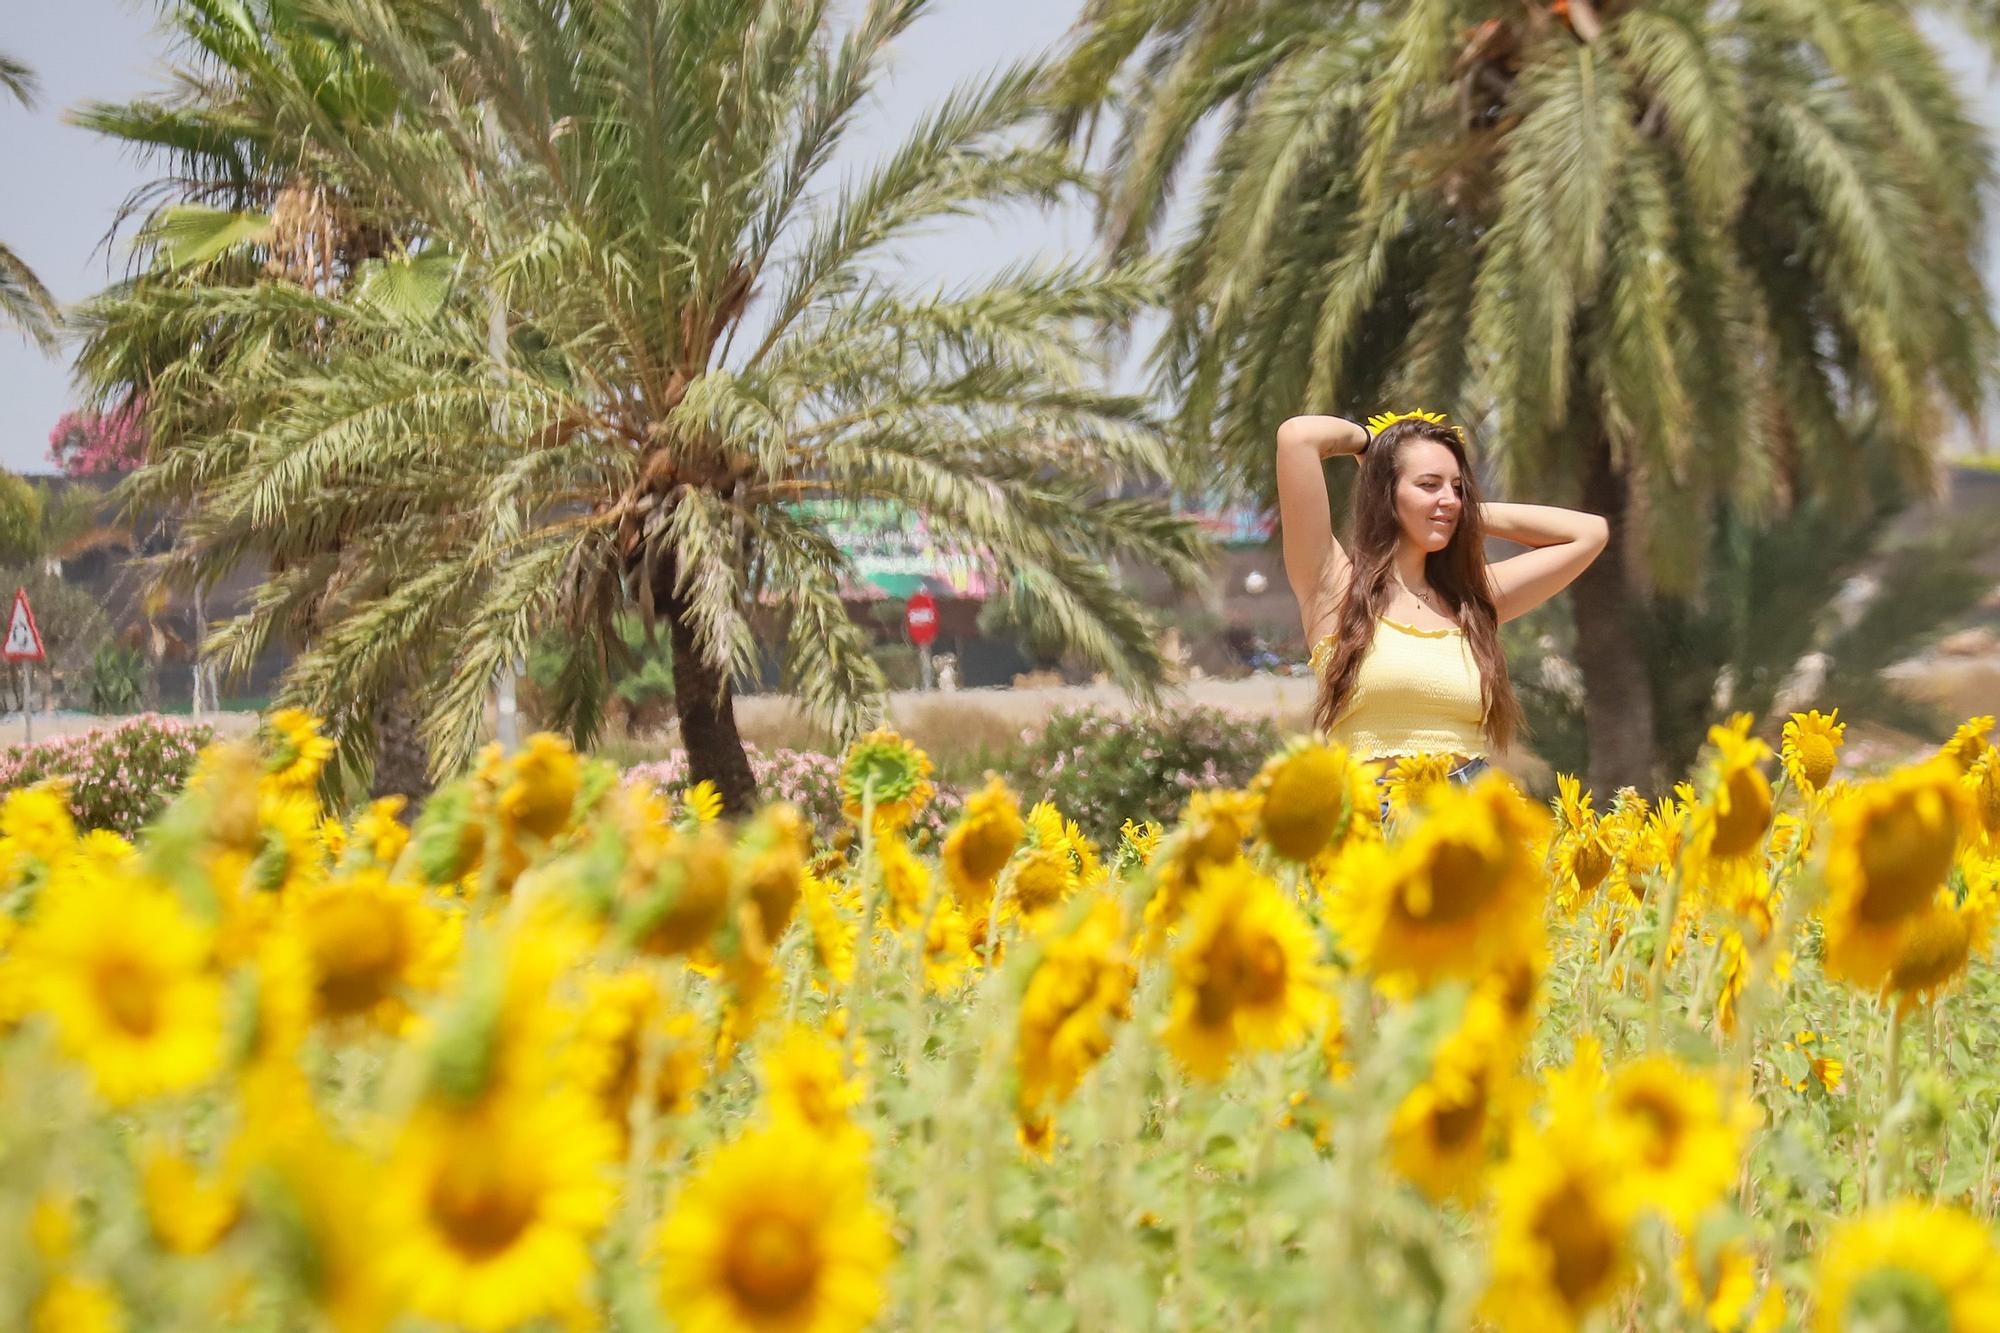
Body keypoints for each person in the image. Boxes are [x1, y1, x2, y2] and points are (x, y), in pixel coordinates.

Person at [1274, 409, 1608, 786]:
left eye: (1458, 488)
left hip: (1465, 821)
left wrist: (1462, 513)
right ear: (1385, 493)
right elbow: (1297, 436)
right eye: (1429, 485)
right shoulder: (1333, 588)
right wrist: (1375, 445)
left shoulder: (1471, 602)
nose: (1449, 498)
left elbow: (1590, 533)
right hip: (1373, 828)